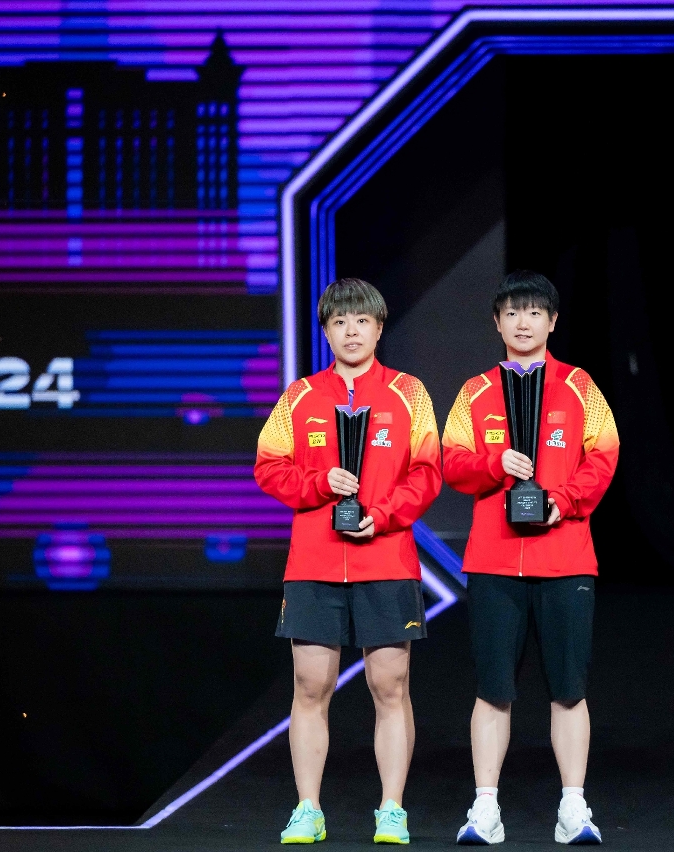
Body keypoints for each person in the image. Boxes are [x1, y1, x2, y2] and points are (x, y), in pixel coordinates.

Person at [255, 277, 441, 845]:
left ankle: (392, 809)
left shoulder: (409, 393)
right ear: (326, 331)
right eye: (339, 322)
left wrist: (381, 515)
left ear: (380, 328)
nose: (351, 331)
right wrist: (318, 483)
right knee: (310, 686)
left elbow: (427, 473)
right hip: (314, 563)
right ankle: (308, 808)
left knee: (391, 685)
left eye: (362, 321)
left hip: (386, 560)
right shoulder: (299, 396)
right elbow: (268, 467)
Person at [442, 270, 619, 845]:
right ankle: (485, 809)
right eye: (512, 313)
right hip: (494, 562)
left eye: (535, 312)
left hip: (566, 558)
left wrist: (562, 502)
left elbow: (604, 456)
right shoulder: (474, 392)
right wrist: (494, 466)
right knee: (493, 689)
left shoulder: (580, 386)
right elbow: (450, 462)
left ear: (553, 321)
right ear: (497, 322)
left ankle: (574, 809)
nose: (523, 322)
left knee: (569, 688)